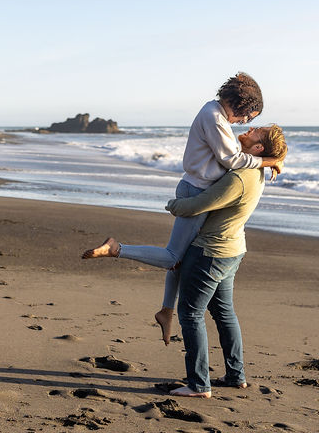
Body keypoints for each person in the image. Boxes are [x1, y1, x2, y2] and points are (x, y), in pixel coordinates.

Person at [82, 73, 284, 345]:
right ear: (241, 104)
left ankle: (166, 310)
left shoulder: (217, 116)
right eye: (249, 116)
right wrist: (269, 161)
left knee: (180, 257)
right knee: (171, 257)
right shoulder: (213, 117)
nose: (247, 122)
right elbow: (232, 159)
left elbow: (231, 155)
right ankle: (117, 249)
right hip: (196, 191)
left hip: (197, 188)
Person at [164, 127, 287, 397]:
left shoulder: (240, 178)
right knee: (223, 312)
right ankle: (235, 375)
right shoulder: (253, 172)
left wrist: (172, 205)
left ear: (257, 149)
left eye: (258, 132)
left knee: (191, 314)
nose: (251, 129)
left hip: (210, 252)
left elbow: (198, 205)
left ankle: (198, 384)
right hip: (231, 250)